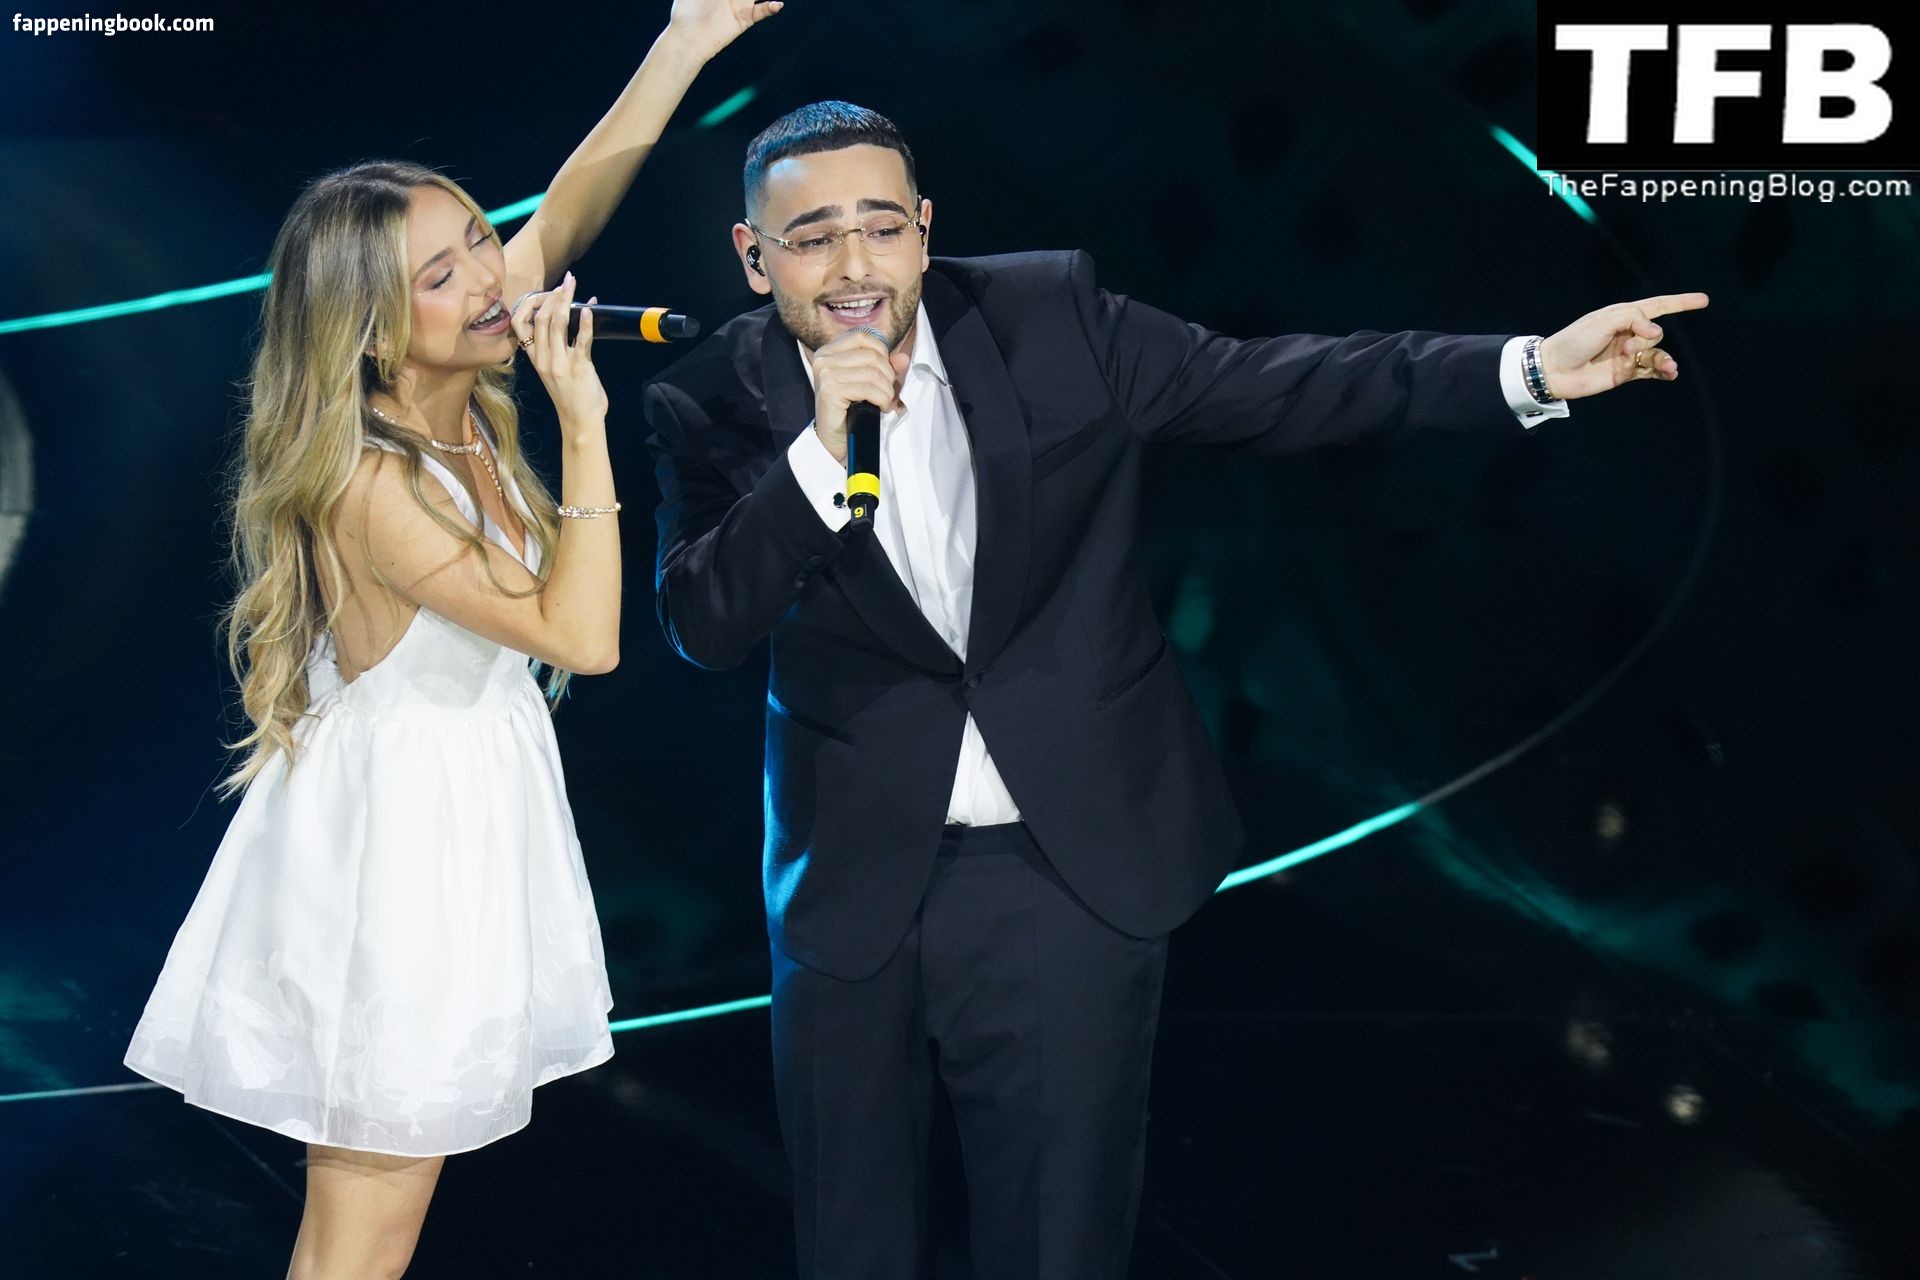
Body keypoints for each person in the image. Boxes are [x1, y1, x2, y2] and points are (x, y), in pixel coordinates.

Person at [644, 99, 1708, 1278]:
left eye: (882, 227)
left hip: (1065, 857)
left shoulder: (1051, 315)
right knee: (853, 1237)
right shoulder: (707, 398)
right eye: (812, 237)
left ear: (925, 229)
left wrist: (1530, 368)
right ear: (754, 255)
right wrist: (813, 457)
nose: (854, 265)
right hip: (851, 870)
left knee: (1056, 1235)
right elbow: (705, 621)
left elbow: (1283, 383)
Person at [123, 5, 784, 1277]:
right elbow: (583, 636)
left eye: (480, 238)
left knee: (383, 1213)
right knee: (367, 1221)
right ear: (371, 327)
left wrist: (684, 43)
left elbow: (571, 210)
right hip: (393, 855)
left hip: (459, 824)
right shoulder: (368, 479)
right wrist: (582, 423)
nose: (489, 280)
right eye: (441, 274)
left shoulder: (455, 375)